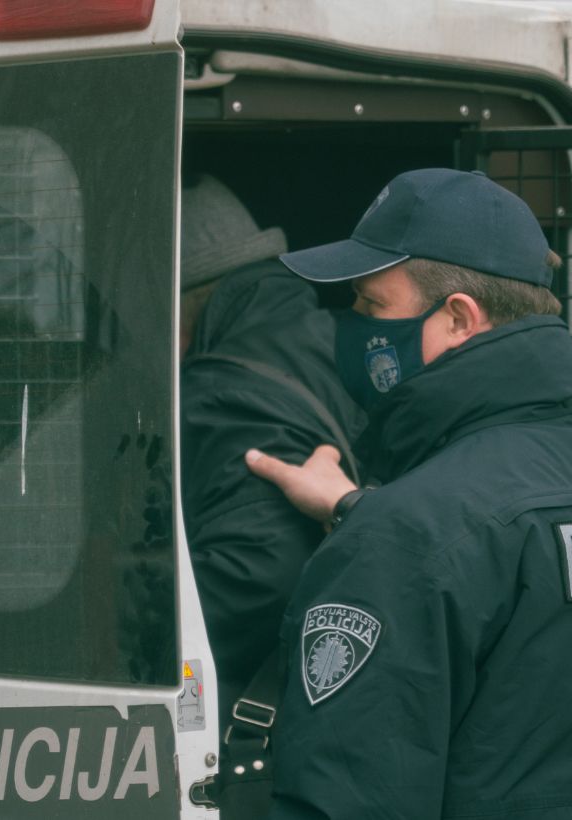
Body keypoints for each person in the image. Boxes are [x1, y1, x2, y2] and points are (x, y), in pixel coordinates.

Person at [246, 168, 572, 819]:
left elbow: (347, 801)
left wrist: (376, 530)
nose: (351, 325)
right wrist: (358, 510)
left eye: (372, 305)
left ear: (459, 317)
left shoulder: (405, 537)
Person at [177, 174, 366, 724]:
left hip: (257, 713)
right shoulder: (340, 342)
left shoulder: (221, 394)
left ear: (181, 306)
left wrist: (121, 623)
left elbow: (261, 569)